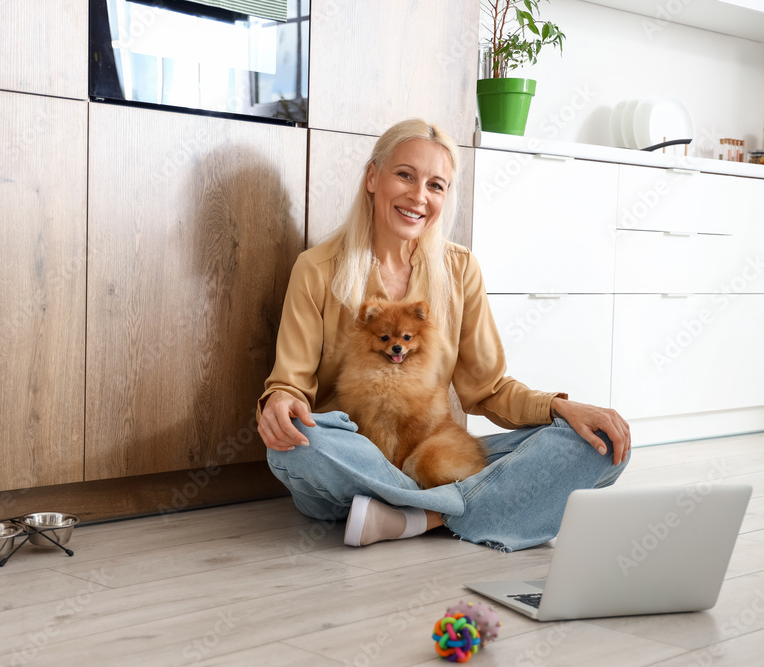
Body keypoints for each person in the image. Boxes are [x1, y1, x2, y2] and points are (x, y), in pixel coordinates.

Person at [256, 119, 631, 552]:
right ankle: (458, 508)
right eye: (405, 175)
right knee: (299, 447)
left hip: (426, 454)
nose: (419, 196)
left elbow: (487, 388)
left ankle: (413, 515)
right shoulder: (317, 269)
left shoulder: (459, 269)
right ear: (373, 177)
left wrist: (561, 410)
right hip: (351, 458)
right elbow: (290, 384)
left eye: (436, 185)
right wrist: (281, 402)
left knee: (599, 444)